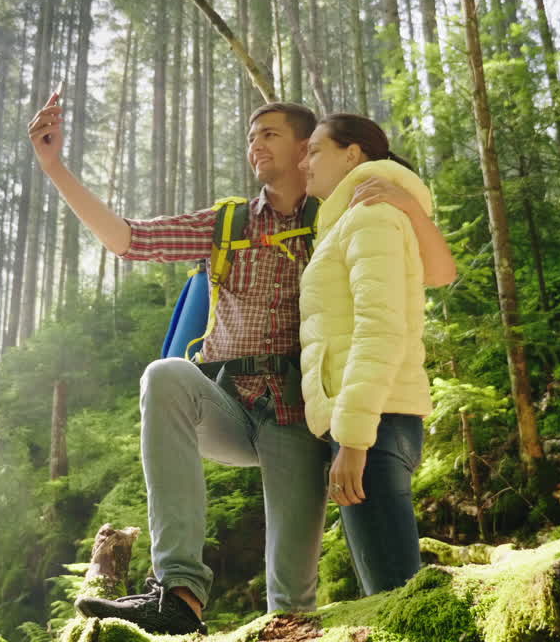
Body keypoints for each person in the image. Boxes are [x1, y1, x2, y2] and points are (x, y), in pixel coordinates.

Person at [26, 97, 451, 635]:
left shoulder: (338, 215)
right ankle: (178, 594)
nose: (255, 146)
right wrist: (55, 167)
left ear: (306, 148)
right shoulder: (227, 223)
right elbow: (127, 239)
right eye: (251, 137)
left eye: (270, 134)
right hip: (225, 400)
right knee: (164, 376)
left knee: (290, 599)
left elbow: (427, 273)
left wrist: (408, 205)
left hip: (299, 417)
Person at [297, 113, 451, 595]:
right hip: (371, 421)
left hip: (374, 424)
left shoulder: (370, 214)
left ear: (352, 154)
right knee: (391, 597)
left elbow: (380, 328)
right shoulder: (352, 218)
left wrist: (353, 440)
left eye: (314, 150)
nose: (303, 163)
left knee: (397, 602)